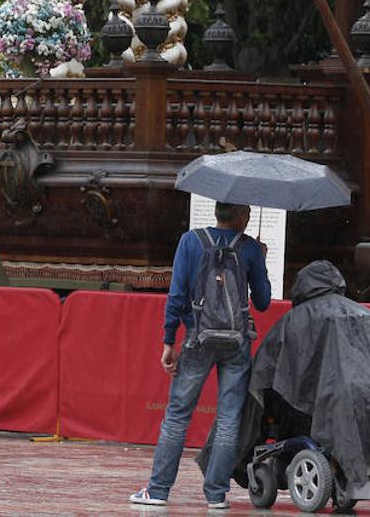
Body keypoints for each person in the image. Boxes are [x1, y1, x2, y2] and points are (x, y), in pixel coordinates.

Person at [129, 201, 271, 509]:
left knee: (177, 416)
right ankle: (216, 495)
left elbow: (177, 294)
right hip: (236, 343)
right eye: (246, 213)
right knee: (229, 418)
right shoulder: (249, 249)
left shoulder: (190, 242)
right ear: (242, 216)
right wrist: (260, 260)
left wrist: (169, 340)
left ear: (216, 212)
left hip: (197, 337)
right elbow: (262, 302)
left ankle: (158, 491)